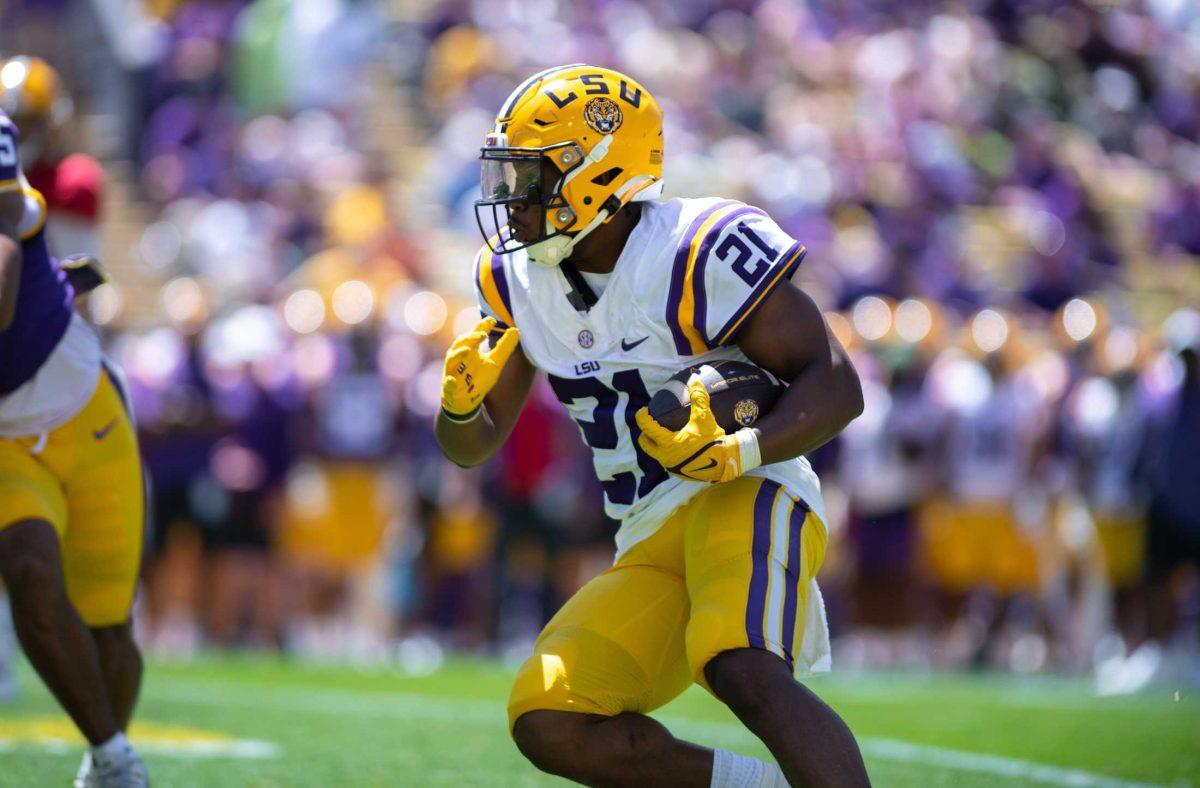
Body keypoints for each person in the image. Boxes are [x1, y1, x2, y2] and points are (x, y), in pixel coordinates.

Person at [436, 65, 869, 787]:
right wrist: (456, 406)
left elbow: (838, 385)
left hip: (748, 487)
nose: (510, 202)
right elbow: (472, 446)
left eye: (530, 177)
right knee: (553, 716)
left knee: (741, 665)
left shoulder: (694, 251)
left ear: (596, 175)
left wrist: (742, 449)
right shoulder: (519, 280)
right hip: (646, 524)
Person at [0, 107, 148, 786]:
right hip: (5, 442)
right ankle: (117, 760)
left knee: (109, 633)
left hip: (83, 406)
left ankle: (104, 752)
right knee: (29, 571)